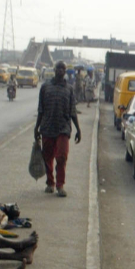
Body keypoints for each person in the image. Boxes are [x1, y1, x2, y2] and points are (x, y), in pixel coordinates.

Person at [35, 61, 81, 197]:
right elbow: (40, 110)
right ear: (54, 70)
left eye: (63, 68)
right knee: (47, 157)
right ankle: (50, 183)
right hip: (47, 127)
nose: (60, 70)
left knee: (61, 157)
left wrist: (78, 129)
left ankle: (60, 185)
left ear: (65, 71)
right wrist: (36, 128)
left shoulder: (69, 89)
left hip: (63, 128)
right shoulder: (45, 87)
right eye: (58, 68)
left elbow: (73, 111)